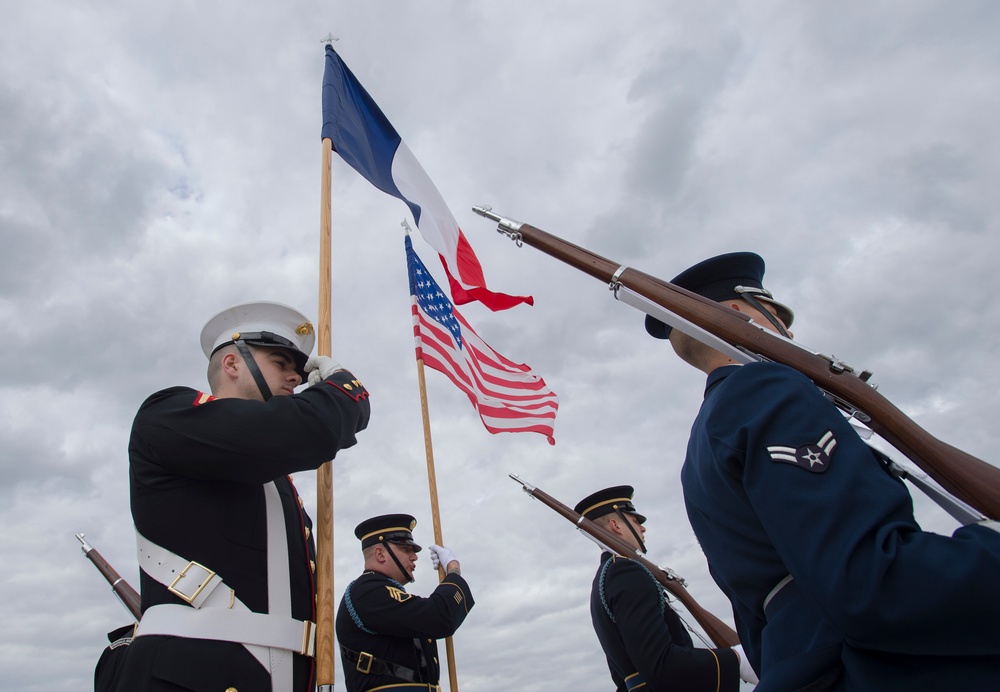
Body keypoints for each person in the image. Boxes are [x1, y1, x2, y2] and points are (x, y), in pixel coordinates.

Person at [647, 252, 1000, 690]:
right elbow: (873, 583)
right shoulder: (766, 388)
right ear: (739, 313)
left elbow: (760, 621)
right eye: (776, 314)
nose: (790, 331)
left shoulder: (703, 442)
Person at [112, 300, 371, 691]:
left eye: (297, 372)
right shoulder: (167, 416)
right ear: (232, 364)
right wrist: (341, 388)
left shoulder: (273, 476)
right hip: (195, 675)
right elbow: (306, 429)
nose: (295, 379)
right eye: (281, 364)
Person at [574, 486, 756, 691]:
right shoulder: (625, 572)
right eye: (635, 521)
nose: (642, 528)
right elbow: (660, 664)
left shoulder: (607, 575)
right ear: (616, 525)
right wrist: (736, 660)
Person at [336, 514, 474, 691]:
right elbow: (438, 617)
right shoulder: (367, 591)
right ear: (380, 554)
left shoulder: (381, 591)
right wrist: (453, 571)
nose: (414, 557)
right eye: (406, 549)